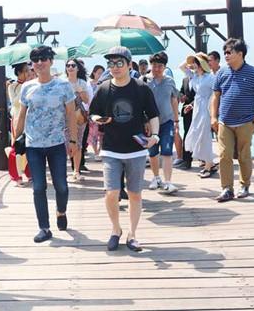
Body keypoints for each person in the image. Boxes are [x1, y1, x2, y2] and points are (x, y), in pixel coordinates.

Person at [89, 46, 159, 252]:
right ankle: (115, 229)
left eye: (120, 63)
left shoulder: (141, 88)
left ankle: (132, 234)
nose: (115, 67)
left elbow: (153, 114)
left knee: (134, 193)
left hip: (136, 149)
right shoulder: (103, 88)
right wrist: (97, 119)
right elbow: (93, 113)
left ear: (130, 65)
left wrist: (154, 137)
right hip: (110, 148)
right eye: (111, 63)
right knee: (111, 192)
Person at [14, 45, 78, 243]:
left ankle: (61, 211)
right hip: (33, 145)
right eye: (35, 60)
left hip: (57, 143)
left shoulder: (63, 86)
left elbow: (71, 115)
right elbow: (22, 115)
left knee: (61, 186)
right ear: (32, 64)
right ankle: (44, 227)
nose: (39, 63)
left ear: (51, 61)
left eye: (43, 59)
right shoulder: (27, 87)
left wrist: (73, 140)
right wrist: (15, 140)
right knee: (39, 187)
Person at [211, 38, 254, 202]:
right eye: (225, 52)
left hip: (245, 121)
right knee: (224, 155)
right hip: (224, 122)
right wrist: (214, 117)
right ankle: (227, 189)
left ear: (240, 54)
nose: (226, 55)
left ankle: (244, 185)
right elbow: (215, 96)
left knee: (244, 155)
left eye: (229, 52)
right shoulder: (222, 73)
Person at [142, 51, 180, 194]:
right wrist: (144, 121)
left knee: (167, 151)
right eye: (154, 65)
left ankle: (168, 181)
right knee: (152, 152)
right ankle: (156, 177)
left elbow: (174, 100)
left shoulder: (170, 81)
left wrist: (176, 120)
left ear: (165, 67)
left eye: (160, 66)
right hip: (150, 123)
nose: (156, 69)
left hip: (167, 120)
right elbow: (140, 104)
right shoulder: (144, 80)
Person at [179, 53, 215, 177]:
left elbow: (215, 94)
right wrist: (194, 56)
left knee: (205, 136)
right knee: (197, 134)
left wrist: (214, 112)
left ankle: (208, 166)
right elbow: (182, 67)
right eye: (193, 63)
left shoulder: (210, 77)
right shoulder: (195, 77)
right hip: (197, 109)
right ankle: (209, 163)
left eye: (196, 63)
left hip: (206, 109)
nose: (193, 65)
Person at [64, 57, 93, 182]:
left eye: (73, 65)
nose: (70, 67)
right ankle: (64, 171)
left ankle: (76, 170)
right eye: (68, 65)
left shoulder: (82, 83)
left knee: (78, 143)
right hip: (64, 114)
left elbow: (87, 100)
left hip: (78, 114)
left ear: (77, 68)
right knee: (64, 142)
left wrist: (80, 91)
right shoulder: (62, 82)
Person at [7, 62, 31, 185]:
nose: (29, 72)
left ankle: (30, 173)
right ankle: (16, 176)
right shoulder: (13, 86)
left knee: (31, 147)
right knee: (17, 146)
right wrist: (24, 88)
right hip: (17, 118)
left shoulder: (33, 85)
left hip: (31, 118)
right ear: (19, 73)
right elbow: (15, 103)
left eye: (29, 70)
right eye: (26, 70)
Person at [88, 65, 105, 161]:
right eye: (98, 73)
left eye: (102, 73)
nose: (100, 75)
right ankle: (96, 152)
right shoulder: (89, 84)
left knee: (102, 133)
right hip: (93, 112)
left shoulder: (104, 84)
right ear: (94, 73)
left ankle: (100, 150)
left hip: (103, 111)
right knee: (93, 133)